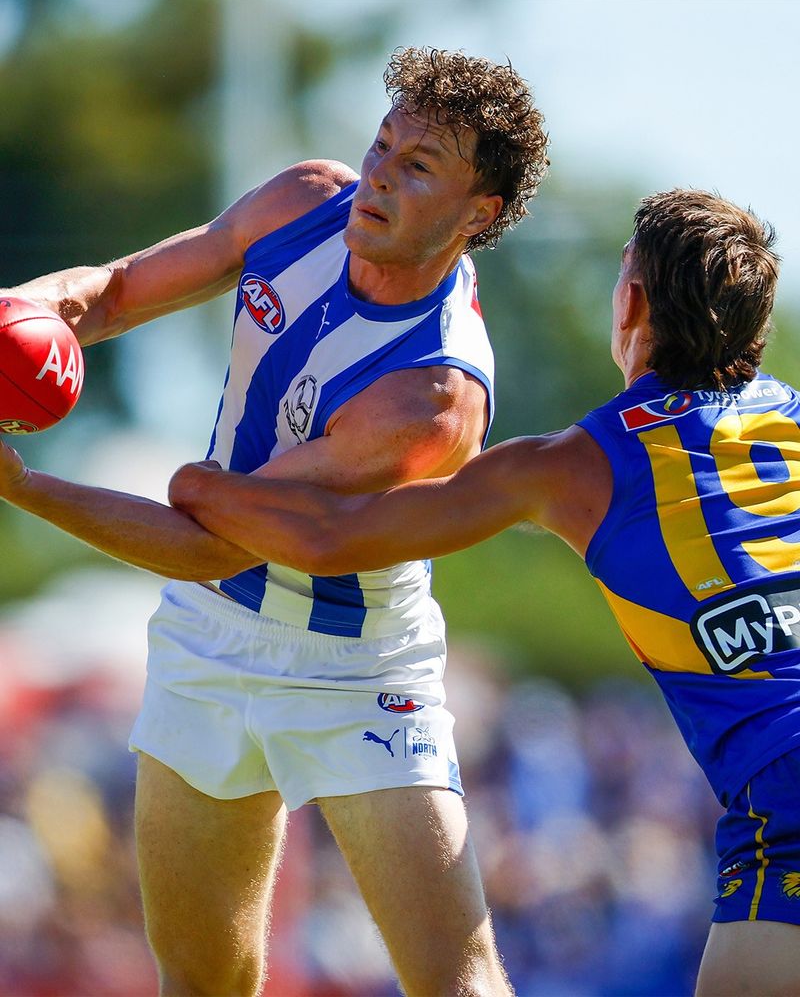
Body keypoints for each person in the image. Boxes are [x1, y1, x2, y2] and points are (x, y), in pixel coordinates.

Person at [152, 187, 799, 996]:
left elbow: (329, 541)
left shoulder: (575, 464)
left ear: (631, 300)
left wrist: (200, 488)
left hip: (784, 793)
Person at [0, 47, 549, 997]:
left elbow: (214, 542)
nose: (379, 173)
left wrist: (23, 486)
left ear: (478, 214)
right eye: (383, 144)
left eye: (419, 166)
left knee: (454, 980)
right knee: (201, 979)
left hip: (357, 667)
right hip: (210, 640)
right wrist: (31, 308)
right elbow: (123, 290)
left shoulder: (432, 394)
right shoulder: (305, 202)